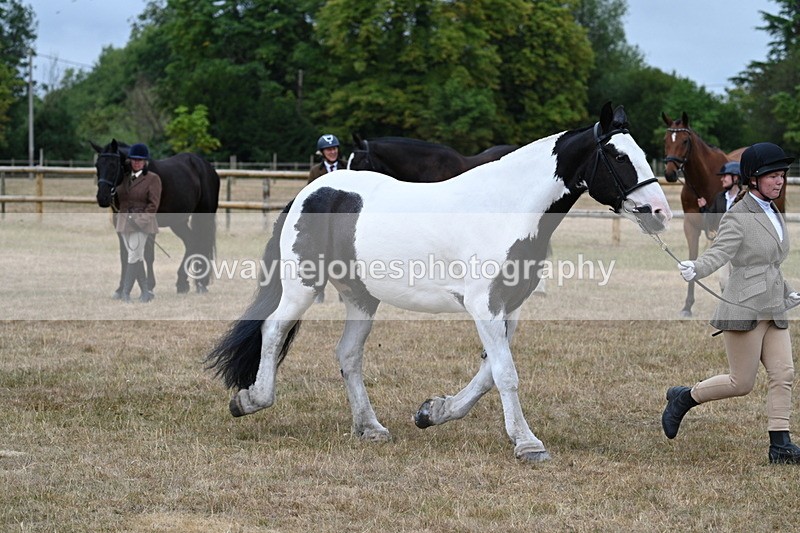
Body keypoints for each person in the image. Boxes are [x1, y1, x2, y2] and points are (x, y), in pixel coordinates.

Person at [662, 142, 800, 464]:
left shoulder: (773, 210)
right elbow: (720, 252)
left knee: (784, 373)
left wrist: (788, 292)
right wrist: (696, 267)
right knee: (741, 382)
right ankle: (684, 398)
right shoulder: (738, 216)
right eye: (772, 176)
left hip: (773, 306)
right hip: (745, 306)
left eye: (782, 175)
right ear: (752, 178)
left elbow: (769, 263)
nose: (779, 181)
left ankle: (780, 445)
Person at [115, 143, 162, 303]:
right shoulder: (125, 178)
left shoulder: (153, 179)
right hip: (124, 223)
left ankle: (126, 293)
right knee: (137, 257)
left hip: (143, 224)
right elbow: (120, 198)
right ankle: (146, 292)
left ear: (145, 162)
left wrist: (140, 222)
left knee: (133, 256)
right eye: (134, 160)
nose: (136, 162)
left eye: (140, 160)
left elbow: (153, 205)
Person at [698, 161, 742, 290]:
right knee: (724, 282)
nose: (722, 179)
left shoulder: (746, 198)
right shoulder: (720, 198)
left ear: (736, 177)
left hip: (741, 248)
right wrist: (704, 208)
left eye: (725, 176)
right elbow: (711, 221)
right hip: (724, 246)